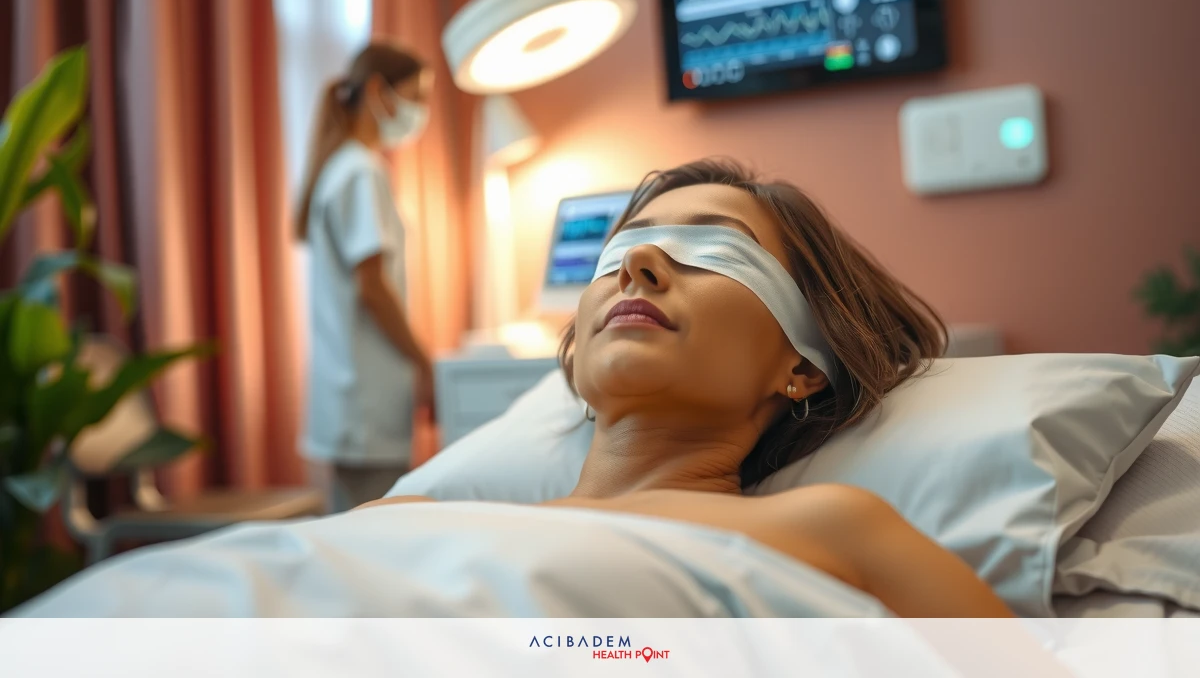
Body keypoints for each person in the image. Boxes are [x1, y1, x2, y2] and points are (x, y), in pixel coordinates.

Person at [363, 158, 1014, 617]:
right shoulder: (405, 521)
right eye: (618, 253)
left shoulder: (832, 533)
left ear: (802, 368)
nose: (638, 266)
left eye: (713, 249)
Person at [296, 42, 436, 513]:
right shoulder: (360, 172)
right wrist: (425, 362)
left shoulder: (342, 169)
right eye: (416, 95)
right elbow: (373, 287)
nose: (421, 111)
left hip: (352, 396)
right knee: (371, 534)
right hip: (365, 401)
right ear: (378, 91)